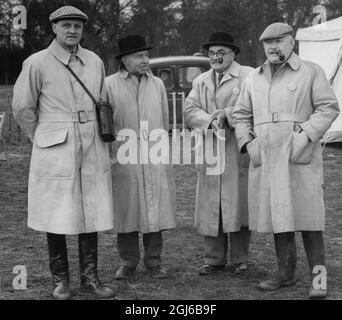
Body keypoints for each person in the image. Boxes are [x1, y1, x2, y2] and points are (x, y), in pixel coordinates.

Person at [12, 6, 115, 300]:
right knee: (56, 211)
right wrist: (43, 137)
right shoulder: (37, 62)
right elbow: (23, 108)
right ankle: (60, 281)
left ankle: (90, 279)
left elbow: (103, 99)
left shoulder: (94, 61)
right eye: (66, 25)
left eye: (78, 26)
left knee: (91, 209)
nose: (72, 30)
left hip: (91, 142)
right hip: (55, 146)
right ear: (54, 28)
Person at [232, 23, 340, 299]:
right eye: (267, 43)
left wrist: (305, 135)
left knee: (310, 219)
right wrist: (249, 144)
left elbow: (328, 107)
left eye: (279, 41)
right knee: (278, 217)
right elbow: (240, 114)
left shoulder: (310, 71)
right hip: (265, 156)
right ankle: (285, 272)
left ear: (292, 42)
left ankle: (319, 279)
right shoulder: (253, 79)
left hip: (299, 155)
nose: (272, 47)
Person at [105, 34, 177, 280]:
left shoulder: (156, 84)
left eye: (147, 55)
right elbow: (104, 124)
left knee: (154, 208)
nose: (146, 60)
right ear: (125, 60)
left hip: (153, 152)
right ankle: (128, 262)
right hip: (123, 154)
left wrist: (162, 149)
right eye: (140, 56)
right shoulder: (109, 85)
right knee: (126, 210)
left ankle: (154, 261)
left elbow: (165, 121)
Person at [183, 32, 253, 276]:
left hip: (236, 148)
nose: (215, 57)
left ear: (233, 54)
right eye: (212, 53)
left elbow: (254, 107)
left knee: (238, 203)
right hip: (211, 148)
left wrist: (229, 114)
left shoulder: (248, 76)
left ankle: (240, 259)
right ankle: (213, 259)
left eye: (221, 52)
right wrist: (209, 120)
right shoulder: (201, 80)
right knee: (211, 205)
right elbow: (190, 109)